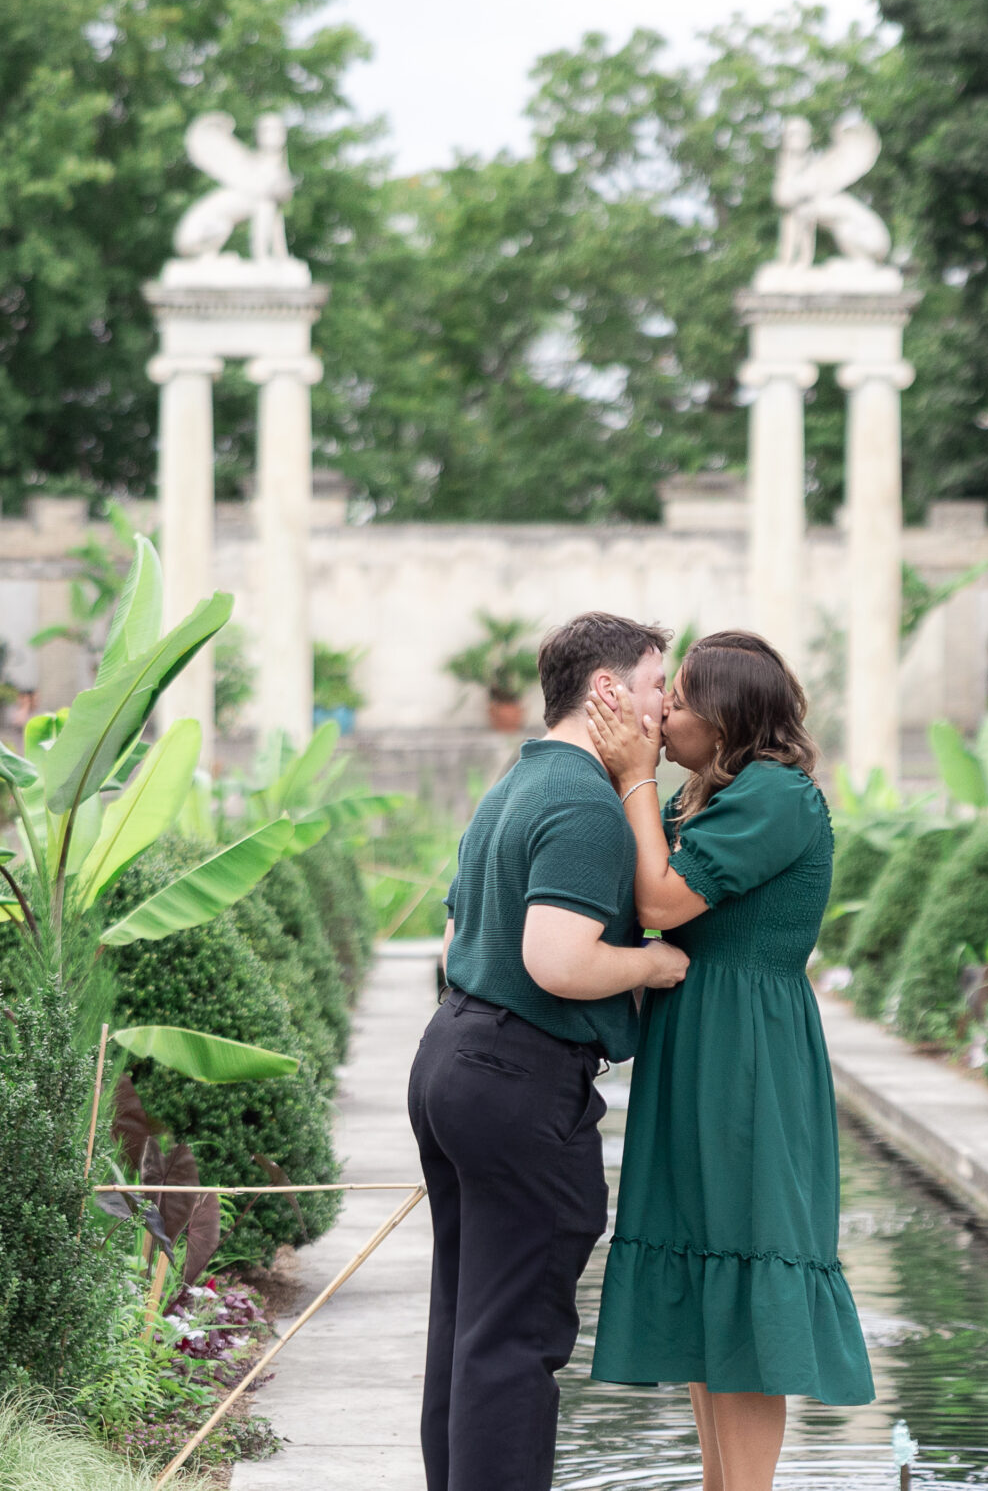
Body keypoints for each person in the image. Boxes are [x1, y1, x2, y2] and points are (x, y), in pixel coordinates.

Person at [408, 611, 693, 1491]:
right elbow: (558, 960)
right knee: (516, 1336)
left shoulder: (512, 787)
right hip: (519, 1081)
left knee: (469, 1324)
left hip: (455, 1058)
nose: (665, 712)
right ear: (607, 692)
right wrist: (654, 960)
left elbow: (459, 942)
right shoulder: (583, 803)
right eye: (655, 687)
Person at [585, 630, 875, 1491]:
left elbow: (663, 900)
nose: (662, 712)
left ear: (727, 716)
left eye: (678, 698)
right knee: (707, 1267)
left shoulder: (778, 797)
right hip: (696, 1040)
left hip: (749, 1053)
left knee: (746, 1268)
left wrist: (635, 778)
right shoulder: (709, 797)